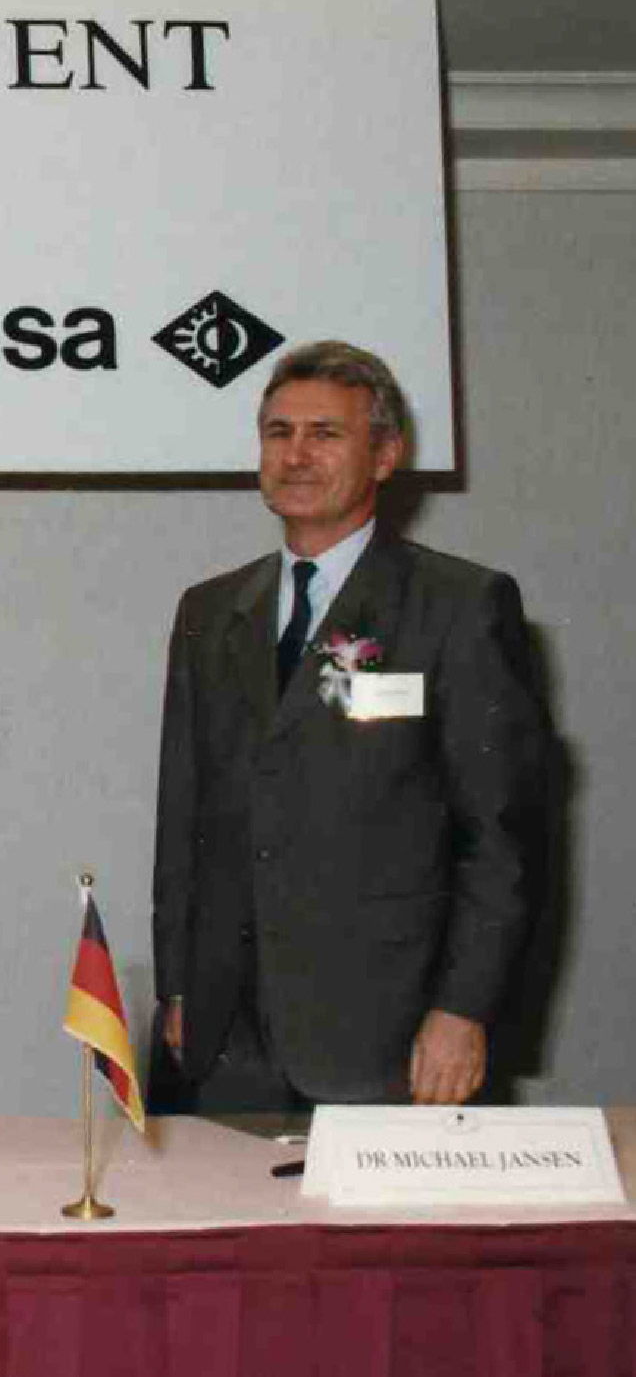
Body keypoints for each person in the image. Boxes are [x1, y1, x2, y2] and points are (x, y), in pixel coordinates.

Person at [152, 340, 548, 1110]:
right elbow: (184, 819)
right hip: (227, 1034)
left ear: (385, 455)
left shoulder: (459, 607)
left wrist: (463, 1010)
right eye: (278, 433)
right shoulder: (209, 611)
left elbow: (503, 840)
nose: (296, 454)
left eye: (325, 434)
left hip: (391, 1033)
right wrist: (178, 983)